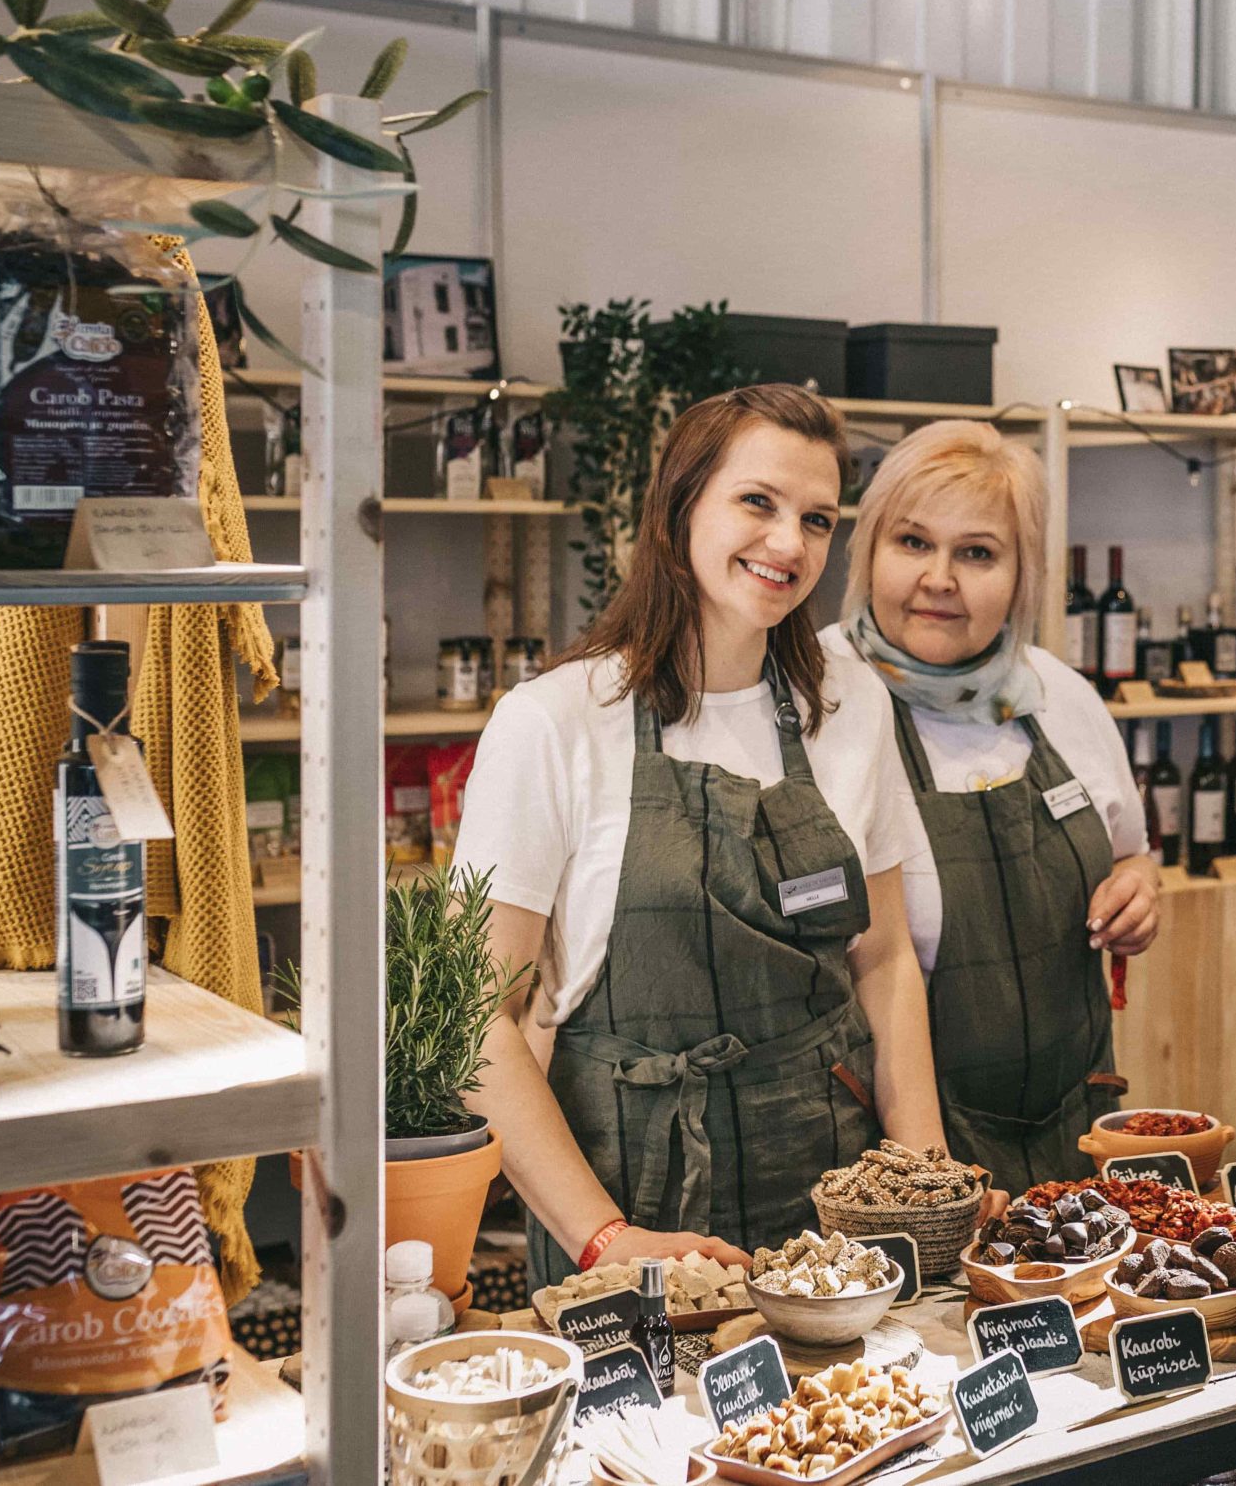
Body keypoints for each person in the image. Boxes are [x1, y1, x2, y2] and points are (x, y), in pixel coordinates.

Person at [455, 385, 944, 1282]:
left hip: (835, 1210)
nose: (789, 543)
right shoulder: (552, 722)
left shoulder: (849, 703)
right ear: (680, 505)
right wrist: (606, 1240)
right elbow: (473, 1020)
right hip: (629, 1210)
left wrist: (924, 1185)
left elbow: (884, 959)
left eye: (819, 518)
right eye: (757, 502)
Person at [825, 421, 1159, 1193]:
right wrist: (935, 1178)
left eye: (977, 552)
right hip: (893, 1154)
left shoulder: (1059, 694)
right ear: (869, 548)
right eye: (912, 542)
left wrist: (1140, 889)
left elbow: (1133, 851)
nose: (941, 577)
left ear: (1021, 573)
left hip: (1077, 1132)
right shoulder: (819, 701)